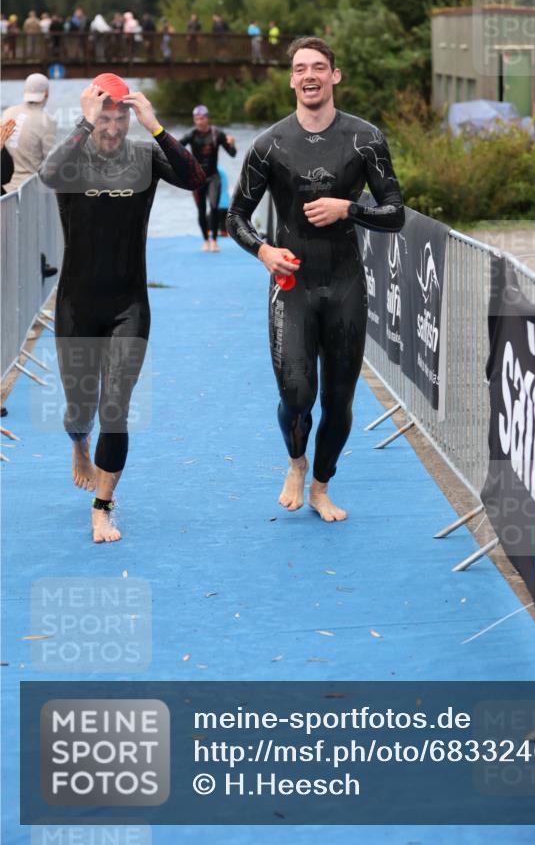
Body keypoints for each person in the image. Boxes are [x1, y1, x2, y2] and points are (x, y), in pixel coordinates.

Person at [227, 37, 404, 522]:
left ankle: (322, 487)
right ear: (292, 80)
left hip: (345, 285)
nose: (310, 75)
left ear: (334, 75)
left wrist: (349, 208)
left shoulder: (365, 139)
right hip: (293, 287)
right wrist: (264, 251)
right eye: (301, 68)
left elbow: (395, 213)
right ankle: (295, 462)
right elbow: (235, 216)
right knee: (296, 396)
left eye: (319, 67)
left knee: (338, 403)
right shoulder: (269, 145)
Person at [38, 73, 205, 542]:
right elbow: (47, 175)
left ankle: (102, 507)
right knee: (80, 409)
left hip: (129, 304)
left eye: (120, 119)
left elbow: (196, 178)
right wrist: (82, 124)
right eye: (103, 119)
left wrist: (156, 127)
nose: (112, 129)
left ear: (130, 118)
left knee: (115, 408)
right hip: (76, 305)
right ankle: (78, 443)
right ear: (92, 115)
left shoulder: (144, 156)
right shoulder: (74, 157)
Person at [180, 105, 237, 251]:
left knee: (214, 207)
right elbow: (175, 149)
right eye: (197, 119)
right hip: (197, 178)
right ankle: (205, 240)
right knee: (201, 210)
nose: (199, 122)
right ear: (194, 120)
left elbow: (232, 154)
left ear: (207, 119)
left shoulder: (216, 134)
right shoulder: (191, 134)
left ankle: (215, 241)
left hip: (213, 177)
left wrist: (232, 144)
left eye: (202, 118)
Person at [1, 73, 57, 192]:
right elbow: (49, 163)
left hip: (4, 189)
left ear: (25, 91)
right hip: (28, 189)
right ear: (46, 93)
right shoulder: (46, 121)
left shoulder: (7, 113)